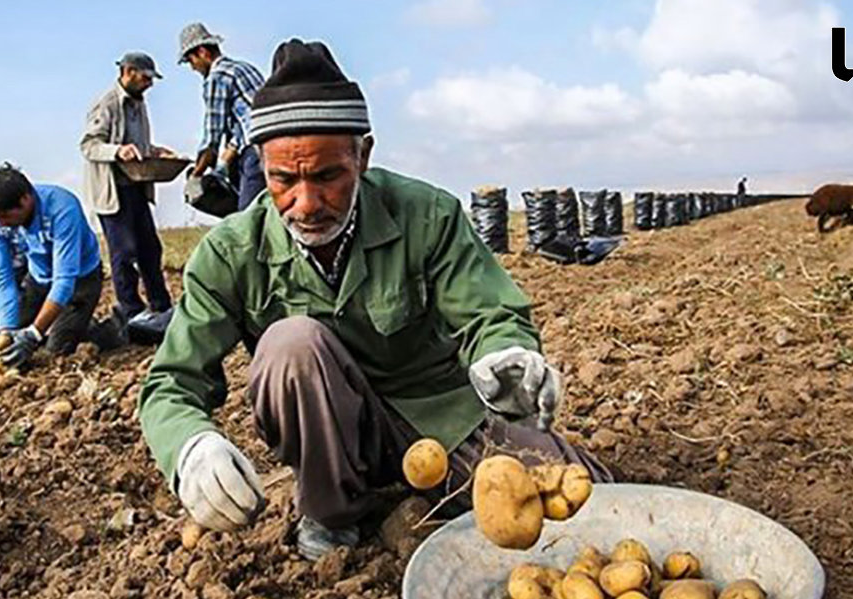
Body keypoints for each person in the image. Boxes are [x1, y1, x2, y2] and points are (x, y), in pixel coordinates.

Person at [139, 40, 603, 561]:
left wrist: (506, 355)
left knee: (585, 505)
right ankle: (333, 512)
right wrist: (190, 447)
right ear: (261, 167)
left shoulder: (427, 215)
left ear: (363, 155)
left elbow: (491, 314)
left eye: (327, 176)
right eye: (283, 180)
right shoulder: (230, 254)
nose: (306, 203)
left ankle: (434, 490)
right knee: (291, 343)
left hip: (439, 417)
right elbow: (172, 381)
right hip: (328, 439)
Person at [81, 51, 175, 332]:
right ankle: (132, 312)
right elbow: (89, 145)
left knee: (150, 248)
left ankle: (162, 307)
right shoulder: (107, 103)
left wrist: (155, 151)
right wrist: (117, 151)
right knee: (124, 252)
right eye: (146, 78)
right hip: (112, 191)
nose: (149, 84)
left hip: (135, 186)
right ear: (129, 71)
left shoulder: (138, 104)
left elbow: (137, 146)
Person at [0, 164, 106, 367]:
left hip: (80, 279)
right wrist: (7, 329)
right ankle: (67, 321)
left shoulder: (62, 208)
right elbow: (2, 275)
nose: (0, 224)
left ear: (26, 200)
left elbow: (64, 281)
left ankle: (106, 330)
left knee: (56, 349)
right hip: (39, 278)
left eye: (5, 217)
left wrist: (34, 333)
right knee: (13, 335)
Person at [177, 22, 266, 210]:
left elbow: (212, 137)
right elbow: (245, 125)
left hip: (255, 153)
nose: (193, 68)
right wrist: (223, 164)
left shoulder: (217, 77)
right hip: (274, 145)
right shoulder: (245, 68)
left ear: (202, 52)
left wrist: (196, 176)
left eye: (190, 60)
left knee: (248, 218)